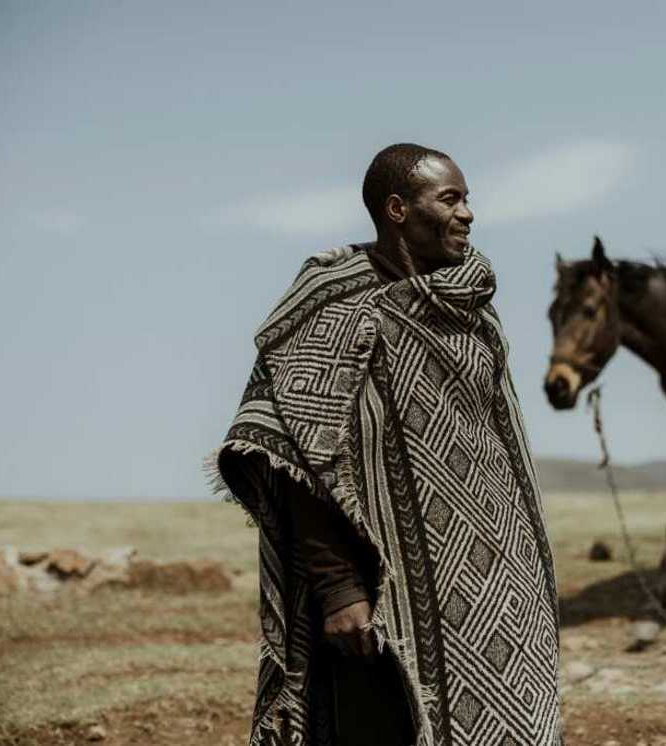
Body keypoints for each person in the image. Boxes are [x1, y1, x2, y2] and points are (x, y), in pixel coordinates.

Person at [209, 144, 562, 745]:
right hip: (382, 597)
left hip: (495, 585)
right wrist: (339, 587)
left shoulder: (471, 304)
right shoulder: (336, 303)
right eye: (450, 198)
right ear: (397, 209)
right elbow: (294, 458)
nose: (468, 213)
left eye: (468, 198)